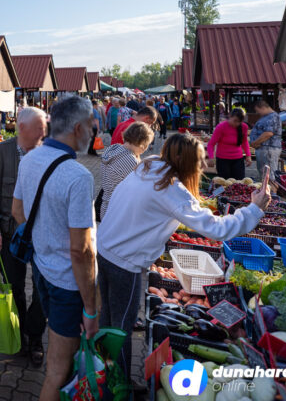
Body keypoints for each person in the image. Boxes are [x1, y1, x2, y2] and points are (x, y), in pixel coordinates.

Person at [96, 133, 270, 382]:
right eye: (200, 161)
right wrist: (254, 210)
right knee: (120, 328)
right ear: (186, 161)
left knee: (109, 322)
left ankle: (106, 374)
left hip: (107, 249)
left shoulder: (151, 165)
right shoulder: (171, 189)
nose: (204, 166)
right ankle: (117, 387)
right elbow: (216, 229)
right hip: (124, 261)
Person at [12, 96, 98, 401]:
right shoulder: (78, 177)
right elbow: (81, 251)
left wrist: (42, 242)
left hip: (42, 270)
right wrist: (91, 308)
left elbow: (17, 210)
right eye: (90, 124)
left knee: (60, 358)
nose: (93, 130)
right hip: (67, 285)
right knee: (58, 370)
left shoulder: (30, 158)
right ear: (77, 128)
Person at [0, 107, 48, 367]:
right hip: (10, 233)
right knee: (15, 287)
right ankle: (20, 332)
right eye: (40, 128)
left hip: (44, 236)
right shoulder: (1, 152)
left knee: (43, 289)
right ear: (22, 128)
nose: (44, 132)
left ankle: (35, 336)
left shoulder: (48, 154)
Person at [100, 122, 153, 220]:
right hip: (118, 211)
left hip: (106, 206)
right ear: (142, 143)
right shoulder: (129, 160)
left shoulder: (114, 148)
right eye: (147, 144)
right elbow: (142, 187)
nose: (145, 149)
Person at [206, 108, 252, 180]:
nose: (236, 124)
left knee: (239, 182)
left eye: (239, 122)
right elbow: (211, 144)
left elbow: (244, 142)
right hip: (222, 160)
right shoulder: (221, 127)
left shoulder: (244, 127)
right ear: (230, 116)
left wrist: (248, 155)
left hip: (238, 159)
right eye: (235, 121)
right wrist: (211, 157)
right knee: (224, 183)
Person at [249, 99, 282, 179]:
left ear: (263, 107)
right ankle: (265, 190)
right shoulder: (266, 117)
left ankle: (270, 191)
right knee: (264, 174)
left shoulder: (273, 116)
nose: (258, 113)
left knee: (269, 174)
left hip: (268, 149)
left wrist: (255, 143)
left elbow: (268, 133)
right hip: (264, 149)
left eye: (258, 110)